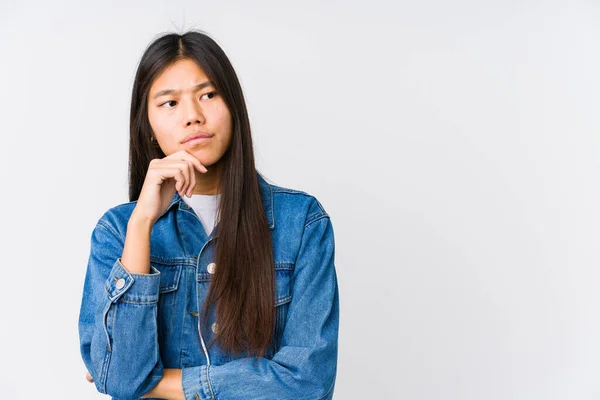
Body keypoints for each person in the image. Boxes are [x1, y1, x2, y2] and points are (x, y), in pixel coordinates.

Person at [77, 30, 339, 400]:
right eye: (169, 103)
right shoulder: (117, 231)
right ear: (147, 126)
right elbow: (121, 380)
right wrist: (141, 224)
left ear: (233, 106)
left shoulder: (302, 223)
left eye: (209, 95)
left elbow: (308, 383)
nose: (193, 117)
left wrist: (160, 385)